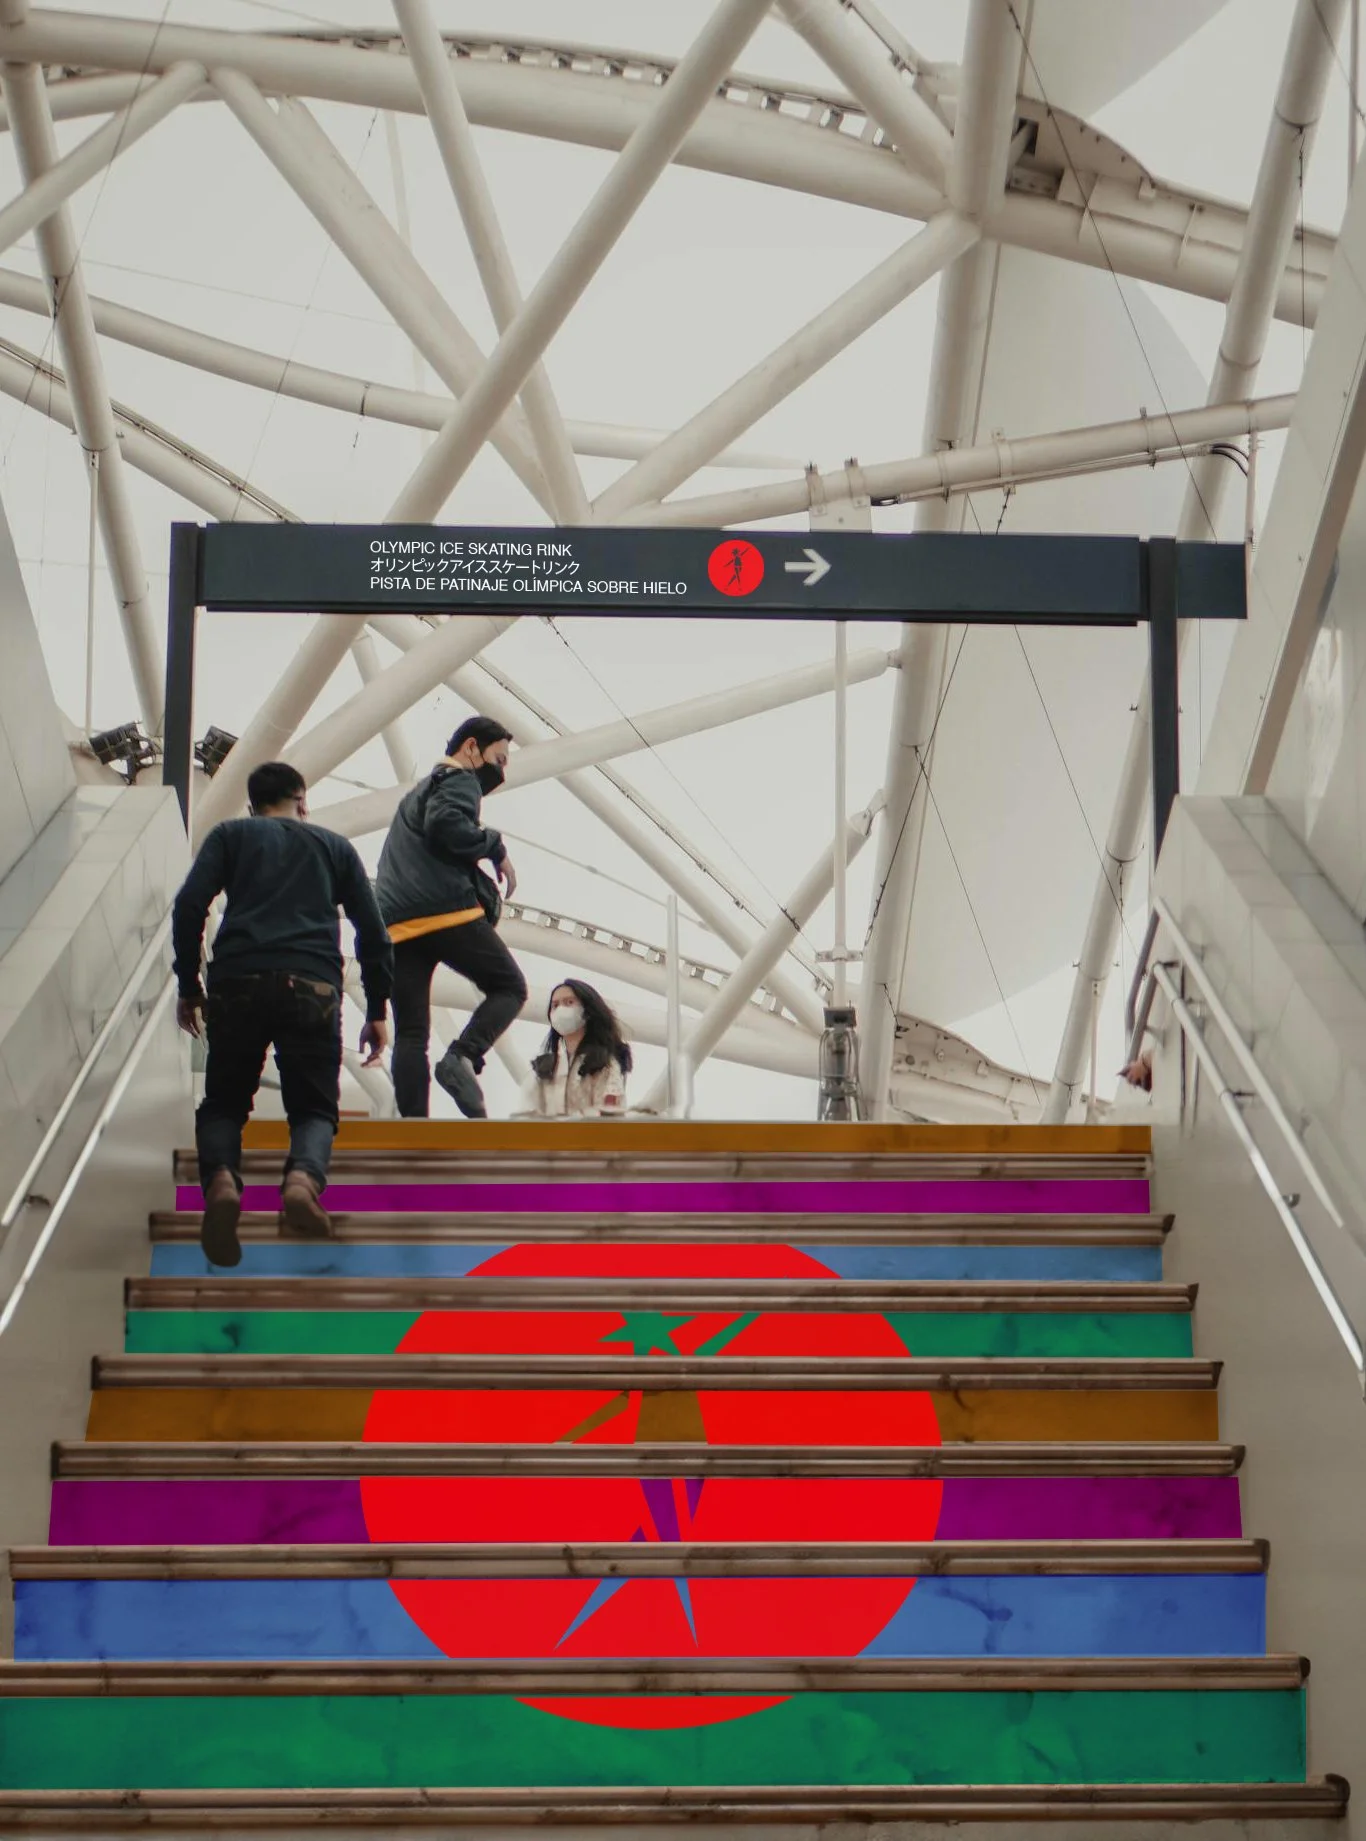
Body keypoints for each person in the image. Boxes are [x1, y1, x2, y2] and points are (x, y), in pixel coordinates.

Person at [172, 760, 392, 1268]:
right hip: (313, 987)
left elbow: (189, 906)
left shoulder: (231, 835)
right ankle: (300, 1183)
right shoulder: (334, 848)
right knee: (314, 1108)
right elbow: (374, 933)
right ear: (303, 800)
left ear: (252, 804)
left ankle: (223, 1183)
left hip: (237, 982)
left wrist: (190, 983)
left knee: (224, 1104)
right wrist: (377, 1007)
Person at [376, 715, 527, 1119]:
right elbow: (445, 823)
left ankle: (413, 1127)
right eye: (500, 757)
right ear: (472, 747)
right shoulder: (458, 779)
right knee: (510, 987)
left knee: (410, 1033)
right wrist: (495, 847)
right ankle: (461, 1056)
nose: (502, 770)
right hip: (443, 908)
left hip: (397, 924)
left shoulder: (414, 795)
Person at [522, 980, 632, 1117]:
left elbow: (610, 1117)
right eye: (555, 1005)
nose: (560, 1009)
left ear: (587, 1011)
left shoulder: (605, 1065)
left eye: (569, 1002)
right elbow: (529, 1115)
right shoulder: (545, 1067)